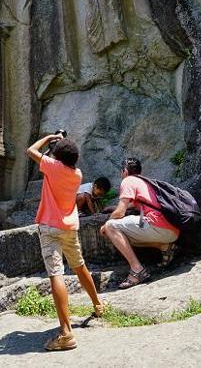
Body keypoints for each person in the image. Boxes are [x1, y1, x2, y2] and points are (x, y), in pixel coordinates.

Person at [27, 134, 104, 351]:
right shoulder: (77, 174)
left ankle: (66, 333)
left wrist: (50, 137)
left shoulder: (52, 167)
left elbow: (31, 150)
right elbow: (58, 161)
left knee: (56, 274)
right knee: (79, 266)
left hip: (49, 228)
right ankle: (98, 305)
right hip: (69, 227)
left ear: (57, 156)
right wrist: (59, 146)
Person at [100, 158, 180, 289]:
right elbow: (132, 205)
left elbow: (120, 212)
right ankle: (165, 246)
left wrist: (105, 224)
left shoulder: (128, 180)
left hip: (158, 226)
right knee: (126, 238)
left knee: (111, 227)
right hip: (172, 231)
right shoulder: (144, 181)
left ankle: (137, 270)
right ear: (140, 171)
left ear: (125, 171)